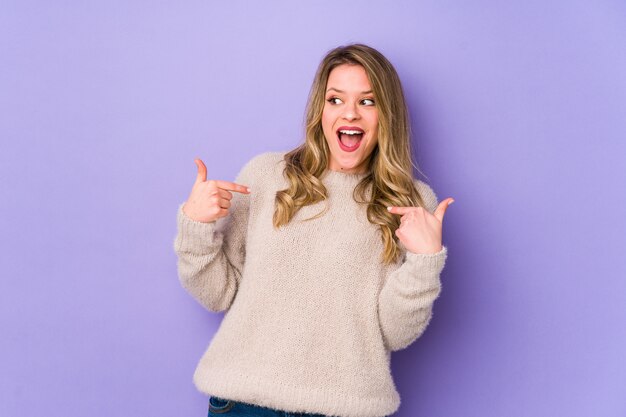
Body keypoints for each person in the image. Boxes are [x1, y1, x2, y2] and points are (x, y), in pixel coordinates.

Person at [173, 43, 454, 417]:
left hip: (344, 409)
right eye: (335, 99)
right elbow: (218, 295)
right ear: (320, 109)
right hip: (244, 404)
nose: (350, 113)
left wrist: (424, 262)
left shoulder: (411, 202)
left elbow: (395, 333)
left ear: (387, 115)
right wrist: (196, 227)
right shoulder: (267, 175)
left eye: (367, 102)